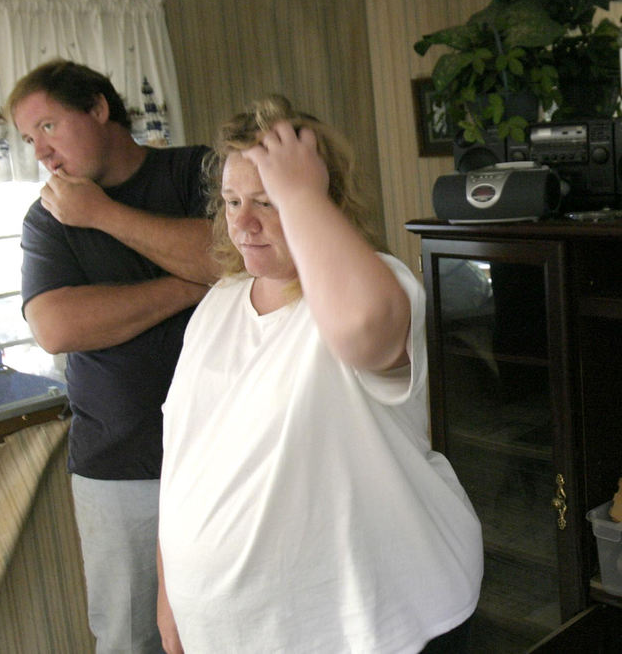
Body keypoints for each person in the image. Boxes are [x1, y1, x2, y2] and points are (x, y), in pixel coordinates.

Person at [156, 94, 483, 653]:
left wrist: (300, 192)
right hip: (228, 631)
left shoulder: (378, 282)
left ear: (321, 198)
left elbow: (361, 330)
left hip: (370, 628)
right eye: (232, 202)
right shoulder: (220, 302)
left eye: (267, 201)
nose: (244, 223)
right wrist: (171, 595)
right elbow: (182, 453)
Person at [8, 59, 218, 653]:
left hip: (230, 450)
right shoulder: (46, 219)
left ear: (99, 108)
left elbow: (233, 256)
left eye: (49, 126)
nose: (42, 154)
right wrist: (190, 286)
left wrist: (103, 214)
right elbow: (56, 326)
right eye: (30, 140)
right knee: (130, 638)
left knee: (233, 623)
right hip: (119, 461)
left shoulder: (195, 170)